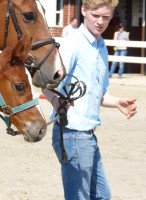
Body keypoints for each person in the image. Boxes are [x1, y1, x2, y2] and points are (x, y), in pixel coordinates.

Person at [42, 0, 137, 200]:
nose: (101, 22)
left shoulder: (101, 46)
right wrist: (55, 101)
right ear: (84, 10)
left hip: (88, 135)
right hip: (72, 133)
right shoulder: (73, 43)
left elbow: (98, 93)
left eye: (106, 17)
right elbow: (46, 83)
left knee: (102, 195)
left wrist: (117, 102)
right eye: (96, 16)